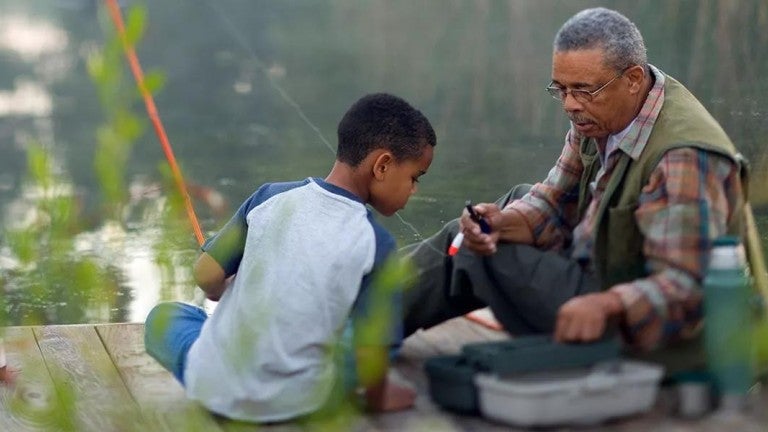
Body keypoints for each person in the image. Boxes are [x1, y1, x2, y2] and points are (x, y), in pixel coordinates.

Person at [401, 7, 746, 374]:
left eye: (582, 90)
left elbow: (687, 290)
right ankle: (366, 288)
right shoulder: (605, 110)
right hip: (601, 268)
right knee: (500, 213)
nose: (569, 105)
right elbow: (555, 199)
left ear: (632, 78)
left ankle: (362, 312)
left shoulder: (682, 158)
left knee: (469, 244)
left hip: (649, 340)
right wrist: (504, 222)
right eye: (560, 89)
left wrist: (607, 306)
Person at [144, 93, 436, 422]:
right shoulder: (377, 244)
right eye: (414, 177)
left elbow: (206, 275)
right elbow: (372, 351)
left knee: (163, 318)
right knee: (371, 336)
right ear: (382, 165)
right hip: (298, 402)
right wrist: (380, 398)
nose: (413, 190)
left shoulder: (269, 197)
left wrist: (218, 291)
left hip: (213, 386)